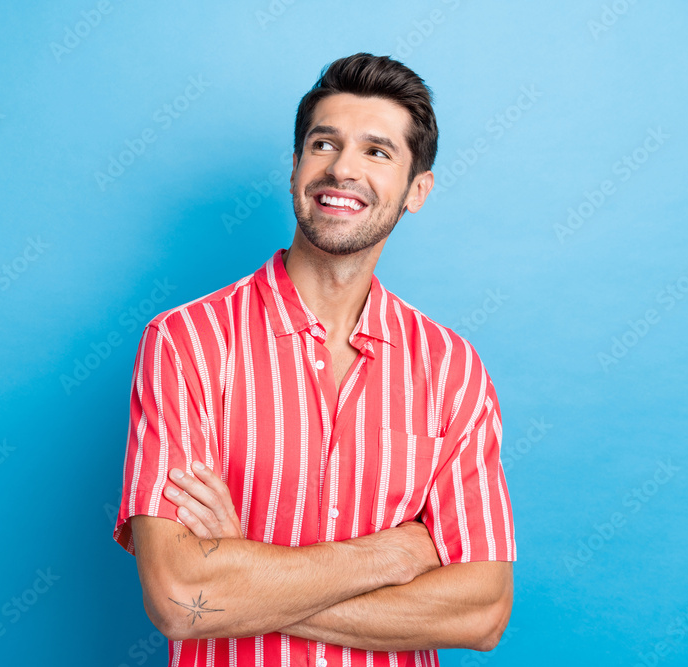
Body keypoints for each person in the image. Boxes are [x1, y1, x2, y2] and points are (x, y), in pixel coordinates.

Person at [112, 53, 516, 667]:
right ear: (296, 166)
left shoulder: (452, 370)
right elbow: (180, 596)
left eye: (378, 152)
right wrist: (392, 556)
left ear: (417, 191)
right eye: (324, 143)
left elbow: (481, 612)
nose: (343, 169)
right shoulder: (187, 341)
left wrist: (246, 568)